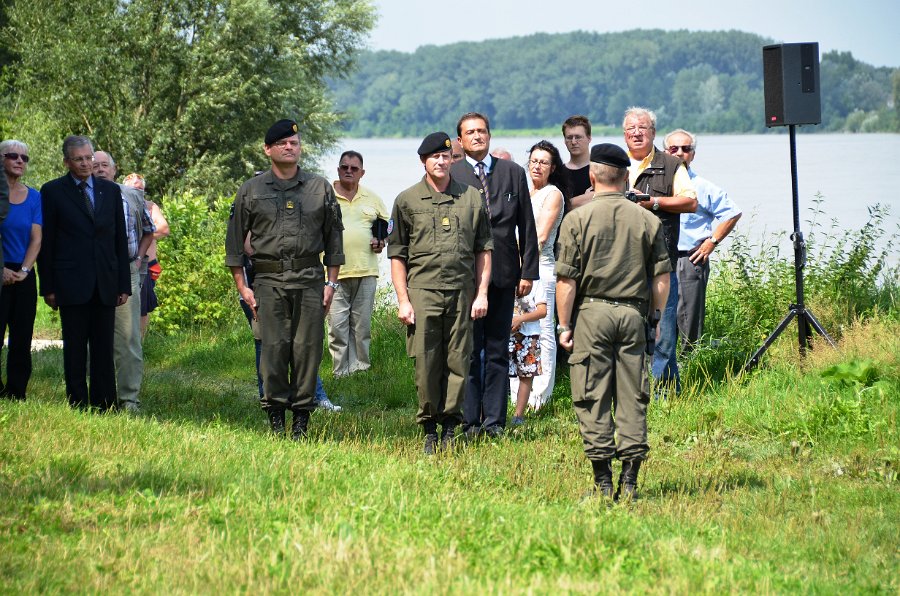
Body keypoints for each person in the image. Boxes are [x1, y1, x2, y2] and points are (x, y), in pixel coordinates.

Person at [556, 143, 671, 501]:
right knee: (633, 395)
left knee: (592, 394)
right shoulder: (648, 220)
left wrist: (564, 325)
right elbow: (661, 277)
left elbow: (566, 281)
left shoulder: (576, 219)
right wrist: (655, 317)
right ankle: (630, 481)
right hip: (634, 314)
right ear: (625, 177)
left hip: (592, 313)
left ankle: (603, 482)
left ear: (592, 177)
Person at [225, 119, 344, 440]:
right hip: (268, 281)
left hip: (309, 280)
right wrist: (243, 287)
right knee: (273, 352)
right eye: (282, 143)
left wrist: (331, 284)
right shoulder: (252, 190)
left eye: (294, 142)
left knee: (307, 351)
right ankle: (276, 419)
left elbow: (334, 240)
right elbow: (234, 244)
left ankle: (301, 421)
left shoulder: (319, 188)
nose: (289, 147)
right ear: (268, 150)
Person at [388, 131, 492, 454]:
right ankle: (429, 428)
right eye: (435, 156)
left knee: (458, 360)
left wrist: (482, 293)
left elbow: (483, 249)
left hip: (461, 292)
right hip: (423, 292)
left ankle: (450, 426)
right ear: (423, 160)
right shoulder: (407, 200)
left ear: (452, 159)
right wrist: (403, 301)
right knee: (426, 362)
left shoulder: (471, 197)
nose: (441, 161)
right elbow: (397, 255)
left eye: (446, 156)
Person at [450, 112, 539, 438]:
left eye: (482, 131)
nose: (477, 136)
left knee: (499, 349)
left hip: (504, 272)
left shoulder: (512, 172)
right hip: (464, 275)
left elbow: (526, 224)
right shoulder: (453, 173)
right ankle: (470, 421)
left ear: (489, 135)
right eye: (470, 132)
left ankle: (494, 423)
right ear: (460, 140)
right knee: (470, 351)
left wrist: (528, 272)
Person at [38, 135, 131, 410]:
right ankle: (77, 403)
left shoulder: (110, 191)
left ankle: (105, 403)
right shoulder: (52, 191)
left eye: (88, 157)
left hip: (105, 281)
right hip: (70, 282)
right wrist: (48, 287)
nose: (86, 164)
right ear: (66, 161)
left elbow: (119, 239)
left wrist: (123, 284)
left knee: (103, 347)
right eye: (78, 159)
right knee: (75, 347)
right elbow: (47, 242)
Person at [622, 107, 697, 395]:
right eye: (631, 128)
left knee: (663, 332)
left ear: (653, 133)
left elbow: (690, 202)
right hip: (621, 264)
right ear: (624, 134)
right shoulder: (615, 163)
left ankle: (664, 396)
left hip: (660, 264)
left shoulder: (671, 164)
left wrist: (652, 202)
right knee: (628, 331)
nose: (637, 133)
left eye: (642, 127)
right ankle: (637, 391)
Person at [240, 233, 340, 412]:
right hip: (258, 289)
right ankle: (271, 401)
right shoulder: (248, 213)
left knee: (301, 342)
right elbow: (247, 245)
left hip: (292, 284)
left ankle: (313, 396)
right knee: (266, 344)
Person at [664, 129, 742, 350]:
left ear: (693, 154)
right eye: (674, 148)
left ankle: (690, 364)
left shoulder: (703, 187)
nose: (680, 153)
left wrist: (711, 242)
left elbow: (732, 213)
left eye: (686, 148)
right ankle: (660, 367)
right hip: (659, 259)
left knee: (688, 320)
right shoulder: (658, 184)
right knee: (659, 318)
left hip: (689, 260)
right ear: (665, 152)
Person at [93, 152, 155, 413]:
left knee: (128, 336)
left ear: (114, 169)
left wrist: (138, 258)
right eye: (94, 165)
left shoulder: (131, 195)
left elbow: (149, 230)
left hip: (126, 269)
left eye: (104, 165)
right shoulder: (83, 196)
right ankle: (98, 396)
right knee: (95, 335)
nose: (99, 169)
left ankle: (129, 399)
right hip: (92, 271)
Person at [509, 140, 565, 411]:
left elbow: (540, 237)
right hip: (515, 268)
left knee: (542, 330)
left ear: (552, 167)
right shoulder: (523, 191)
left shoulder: (553, 194)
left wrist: (519, 263)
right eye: (534, 161)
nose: (537, 166)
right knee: (517, 330)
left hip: (540, 268)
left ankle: (540, 397)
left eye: (544, 162)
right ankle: (516, 395)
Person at [328, 150, 388, 378]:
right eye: (344, 167)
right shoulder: (326, 196)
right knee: (337, 326)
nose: (349, 171)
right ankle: (340, 372)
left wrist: (381, 241)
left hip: (366, 270)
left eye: (354, 168)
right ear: (338, 170)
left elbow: (387, 225)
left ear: (362, 173)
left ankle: (360, 369)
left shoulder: (372, 198)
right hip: (334, 273)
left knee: (361, 326)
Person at [0, 140, 41, 400]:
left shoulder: (35, 197)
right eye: (13, 156)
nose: (19, 161)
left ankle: (16, 391)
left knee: (22, 335)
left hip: (23, 273)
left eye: (24, 158)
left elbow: (37, 238)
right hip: (0, 269)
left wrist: (25, 270)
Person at [121, 173, 170, 337]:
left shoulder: (149, 206)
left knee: (143, 306)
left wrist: (139, 234)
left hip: (147, 264)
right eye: (133, 188)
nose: (137, 191)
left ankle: (140, 342)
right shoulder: (119, 203)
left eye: (140, 189)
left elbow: (163, 229)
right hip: (125, 262)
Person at [508, 280, 546, 426]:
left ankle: (518, 415)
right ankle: (495, 414)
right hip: (506, 334)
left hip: (529, 335)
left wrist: (520, 319)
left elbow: (542, 311)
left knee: (527, 375)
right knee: (500, 373)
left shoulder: (536, 282)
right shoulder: (506, 277)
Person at [561, 115, 594, 211]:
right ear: (564, 140)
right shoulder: (558, 173)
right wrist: (584, 199)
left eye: (578, 137)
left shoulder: (600, 169)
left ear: (589, 138)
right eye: (569, 137)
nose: (573, 142)